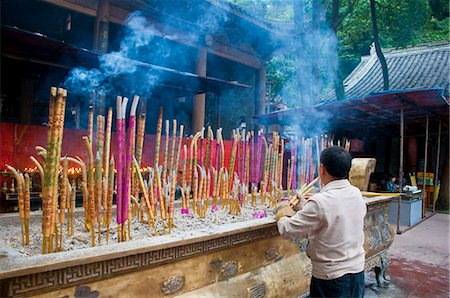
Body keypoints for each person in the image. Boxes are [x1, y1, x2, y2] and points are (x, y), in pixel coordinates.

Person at [275, 146, 367, 298]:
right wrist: (305, 208)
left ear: (322, 169)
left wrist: (282, 212)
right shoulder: (356, 193)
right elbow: (333, 214)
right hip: (357, 271)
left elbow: (287, 229)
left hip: (331, 277)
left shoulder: (320, 201)